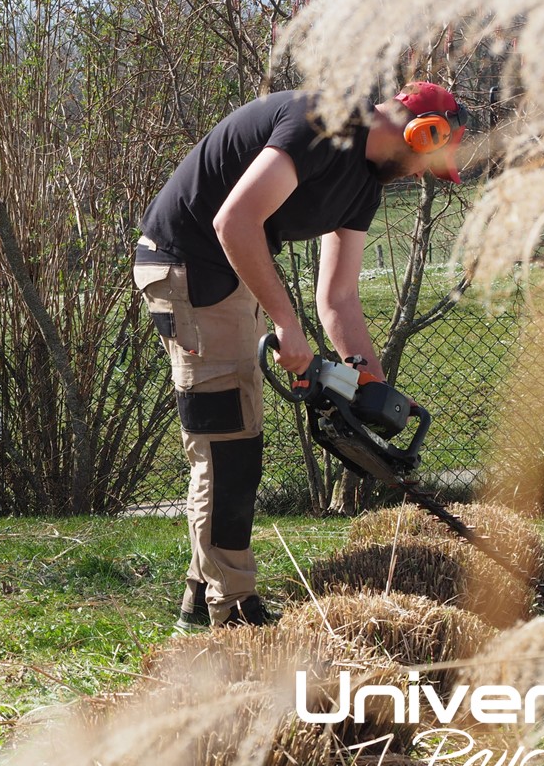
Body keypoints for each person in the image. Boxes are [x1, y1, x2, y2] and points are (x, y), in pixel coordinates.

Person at [133, 81, 467, 632]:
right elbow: (232, 221)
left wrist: (374, 389)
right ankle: (232, 608)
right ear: (422, 131)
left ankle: (203, 594)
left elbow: (338, 297)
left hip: (229, 269)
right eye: (426, 163)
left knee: (236, 435)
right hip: (186, 263)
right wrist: (287, 325)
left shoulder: (365, 186)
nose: (417, 176)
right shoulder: (322, 121)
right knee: (228, 446)